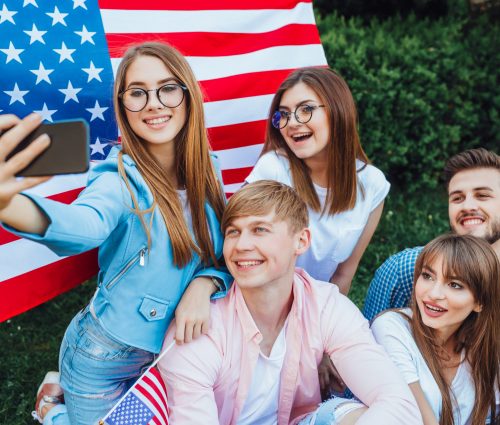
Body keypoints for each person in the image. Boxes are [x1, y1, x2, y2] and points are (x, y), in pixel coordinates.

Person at [0, 42, 231, 425]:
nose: (154, 103)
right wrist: (8, 205)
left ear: (188, 95)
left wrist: (205, 283)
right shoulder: (120, 179)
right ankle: (52, 410)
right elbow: (84, 226)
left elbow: (222, 254)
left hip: (174, 353)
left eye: (167, 88)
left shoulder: (210, 170)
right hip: (103, 358)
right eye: (137, 93)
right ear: (123, 107)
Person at [158, 180, 422, 425]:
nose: (242, 245)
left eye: (260, 229)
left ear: (301, 241)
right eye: (233, 232)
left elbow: (398, 403)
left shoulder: (325, 305)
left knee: (351, 415)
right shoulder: (200, 326)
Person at [245, 67, 390, 296]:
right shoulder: (273, 170)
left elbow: (343, 276)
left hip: (321, 307)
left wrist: (321, 324)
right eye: (283, 114)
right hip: (264, 301)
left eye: (306, 109)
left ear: (337, 110)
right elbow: (242, 255)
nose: (291, 123)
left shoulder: (372, 184)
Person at [371, 234, 500, 425]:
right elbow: (419, 417)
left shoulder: (486, 355)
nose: (433, 294)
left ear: (480, 302)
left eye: (454, 285)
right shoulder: (392, 327)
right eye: (427, 276)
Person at [363, 148, 500, 321]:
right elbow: (365, 341)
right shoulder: (405, 270)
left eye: (482, 195)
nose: (467, 206)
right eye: (457, 198)